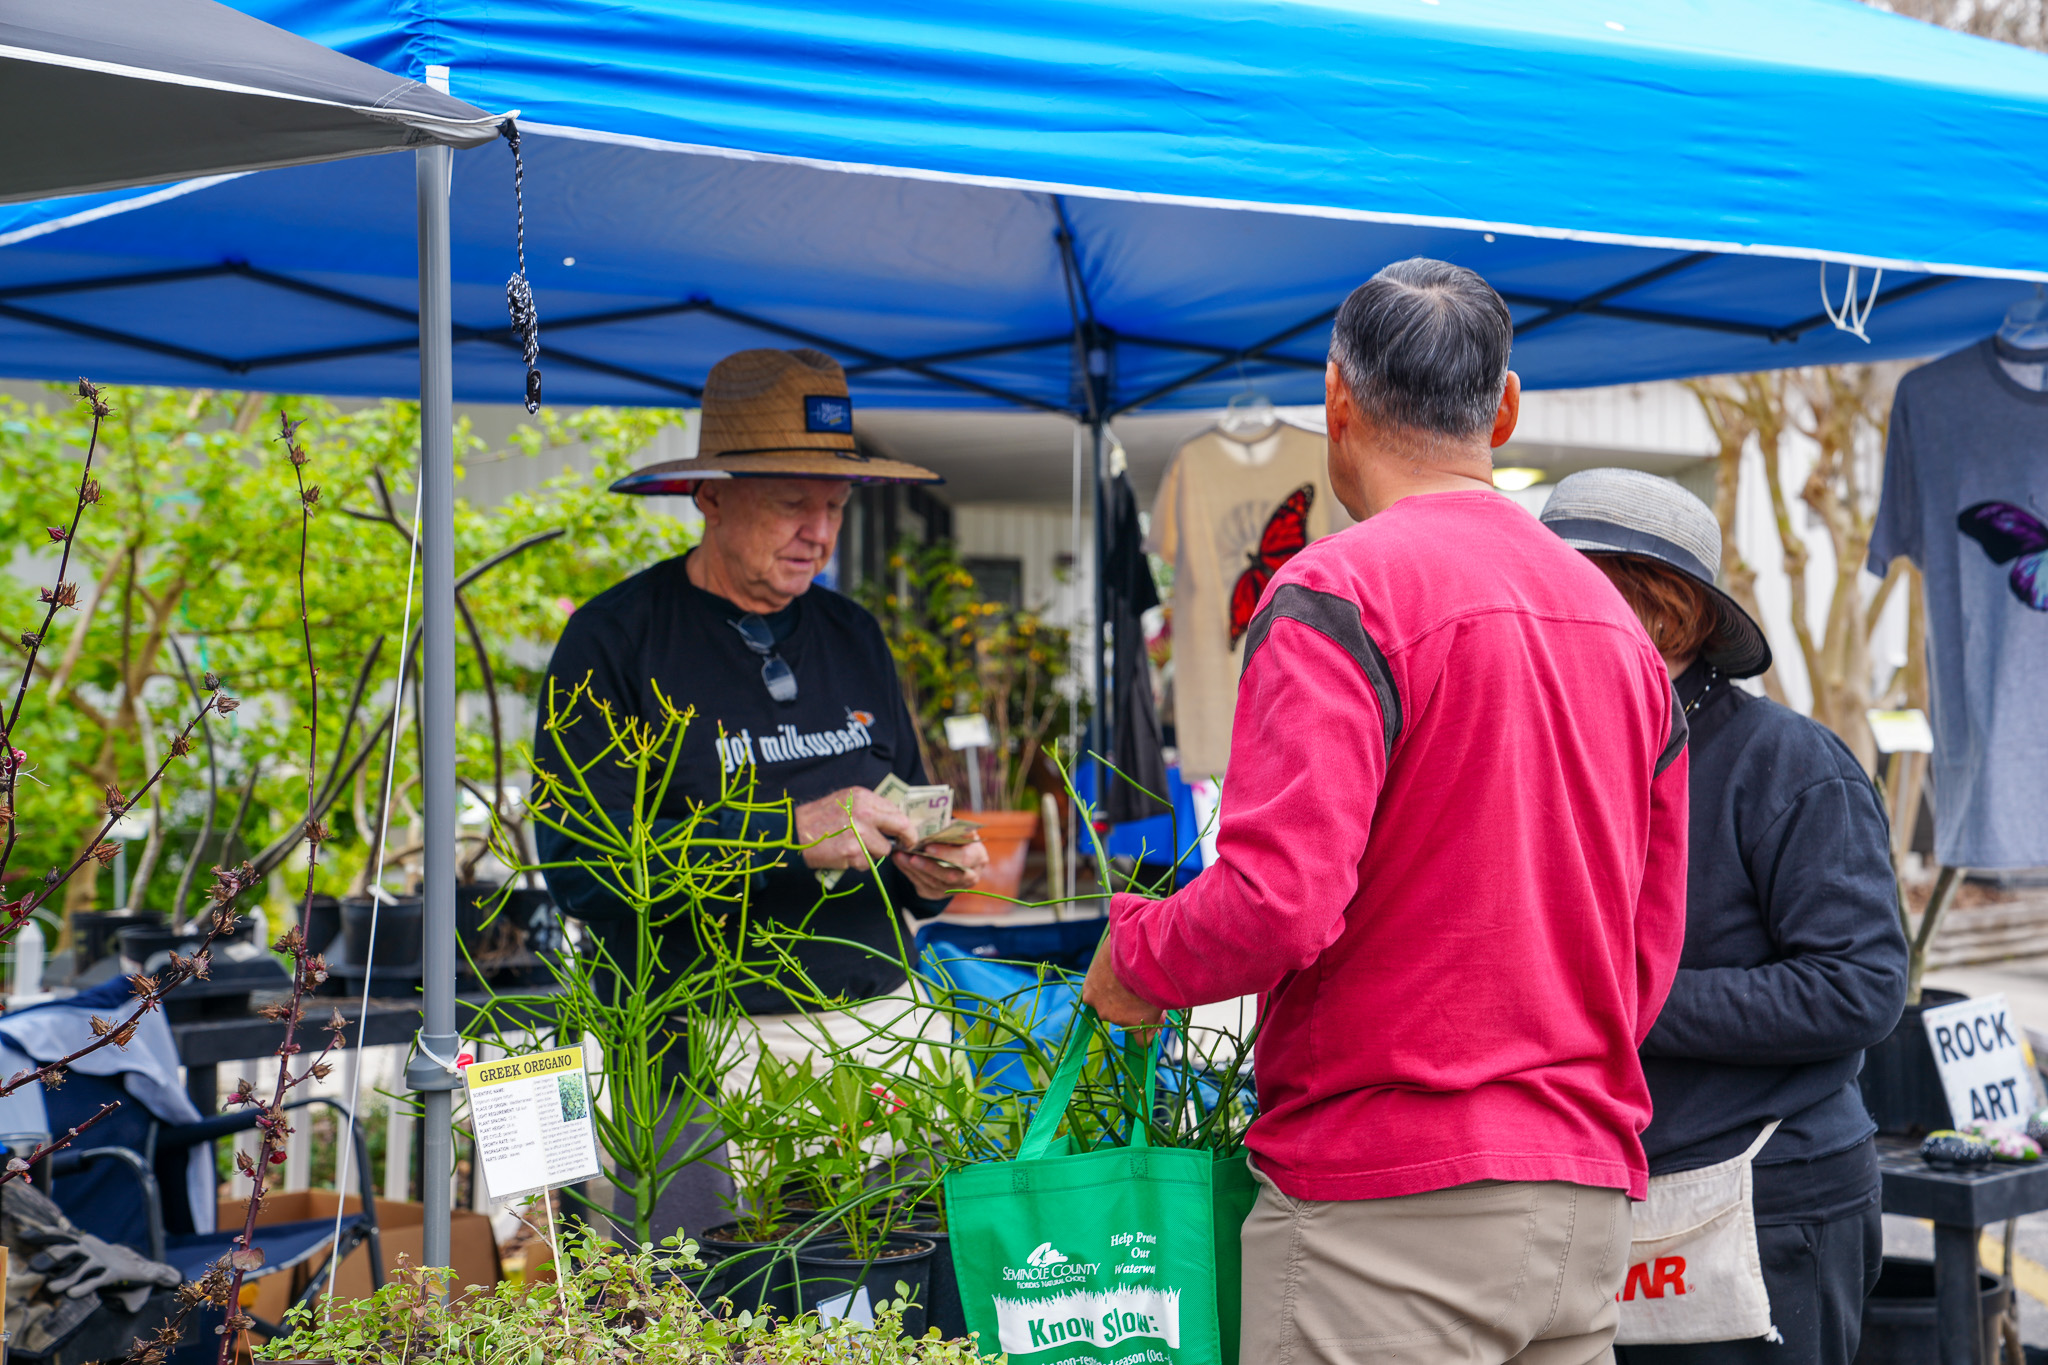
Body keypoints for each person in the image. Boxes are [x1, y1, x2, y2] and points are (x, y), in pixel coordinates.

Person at [1082, 257, 1691, 1365]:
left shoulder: (1337, 589)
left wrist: (1137, 957)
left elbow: (1278, 903)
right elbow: (1644, 951)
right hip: (1584, 1198)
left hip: (1385, 1208)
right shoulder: (1617, 632)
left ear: (1335, 399)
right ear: (1502, 408)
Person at [534, 346, 990, 1231]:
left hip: (879, 1028)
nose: (819, 531)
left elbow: (888, 823)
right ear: (709, 493)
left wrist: (921, 871)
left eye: (835, 505)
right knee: (708, 1312)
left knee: (910, 1297)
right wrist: (783, 831)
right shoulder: (614, 642)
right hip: (697, 1042)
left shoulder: (853, 632)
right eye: (792, 503)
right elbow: (584, 871)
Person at [1539, 469, 1906, 1365]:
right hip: (1592, 1190)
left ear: (1667, 615)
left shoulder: (1788, 765)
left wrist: (1624, 1003)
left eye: (1563, 595)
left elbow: (1860, 988)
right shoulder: (1555, 751)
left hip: (1770, 1195)